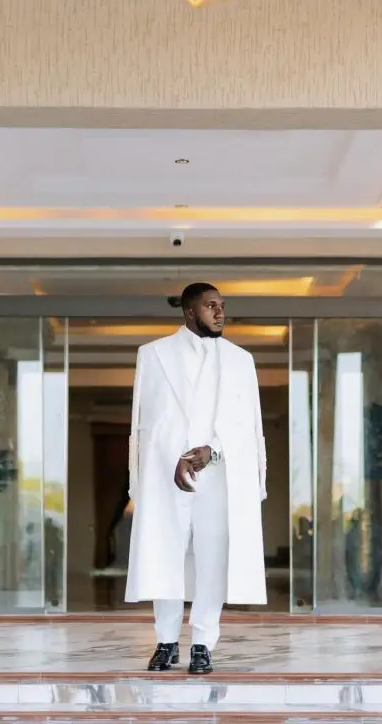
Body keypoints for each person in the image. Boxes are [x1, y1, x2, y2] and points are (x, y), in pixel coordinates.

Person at [125, 282, 267, 674]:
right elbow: (143, 424)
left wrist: (213, 449)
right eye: (211, 306)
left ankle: (203, 643)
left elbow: (248, 425)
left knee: (213, 560)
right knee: (164, 553)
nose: (220, 312)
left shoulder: (241, 360)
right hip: (167, 475)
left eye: (222, 306)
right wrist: (168, 460)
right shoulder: (152, 355)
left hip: (220, 477)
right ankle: (166, 641)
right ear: (190, 312)